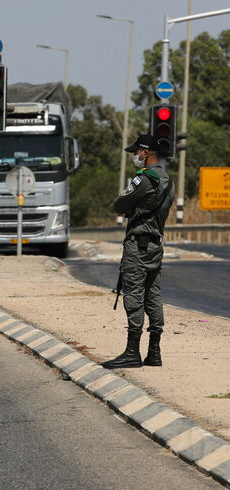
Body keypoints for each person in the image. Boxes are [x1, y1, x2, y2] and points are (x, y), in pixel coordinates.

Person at [103, 134, 175, 369]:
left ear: (145, 153)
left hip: (138, 244)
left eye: (137, 152)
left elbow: (118, 204)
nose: (135, 155)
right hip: (156, 244)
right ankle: (154, 351)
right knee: (153, 295)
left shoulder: (144, 179)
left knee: (133, 294)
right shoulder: (168, 182)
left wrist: (132, 206)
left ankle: (132, 352)